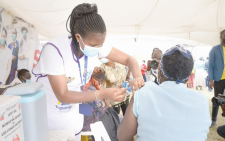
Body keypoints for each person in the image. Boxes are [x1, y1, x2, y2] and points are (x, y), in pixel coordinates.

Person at [32, 3, 144, 141]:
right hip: (48, 111)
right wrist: (103, 93)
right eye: (94, 46)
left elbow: (129, 59)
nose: (98, 49)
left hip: (73, 110)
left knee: (74, 134)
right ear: (78, 37)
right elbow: (63, 95)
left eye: (101, 45)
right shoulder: (55, 50)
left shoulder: (94, 43)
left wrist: (137, 76)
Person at [117, 45, 211, 141]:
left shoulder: (144, 92)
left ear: (160, 71)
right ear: (188, 75)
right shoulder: (202, 101)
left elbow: (122, 137)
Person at [209, 29, 225, 127]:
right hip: (219, 79)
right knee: (217, 100)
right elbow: (210, 65)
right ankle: (213, 120)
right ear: (221, 37)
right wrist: (211, 79)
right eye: (224, 35)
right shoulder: (214, 49)